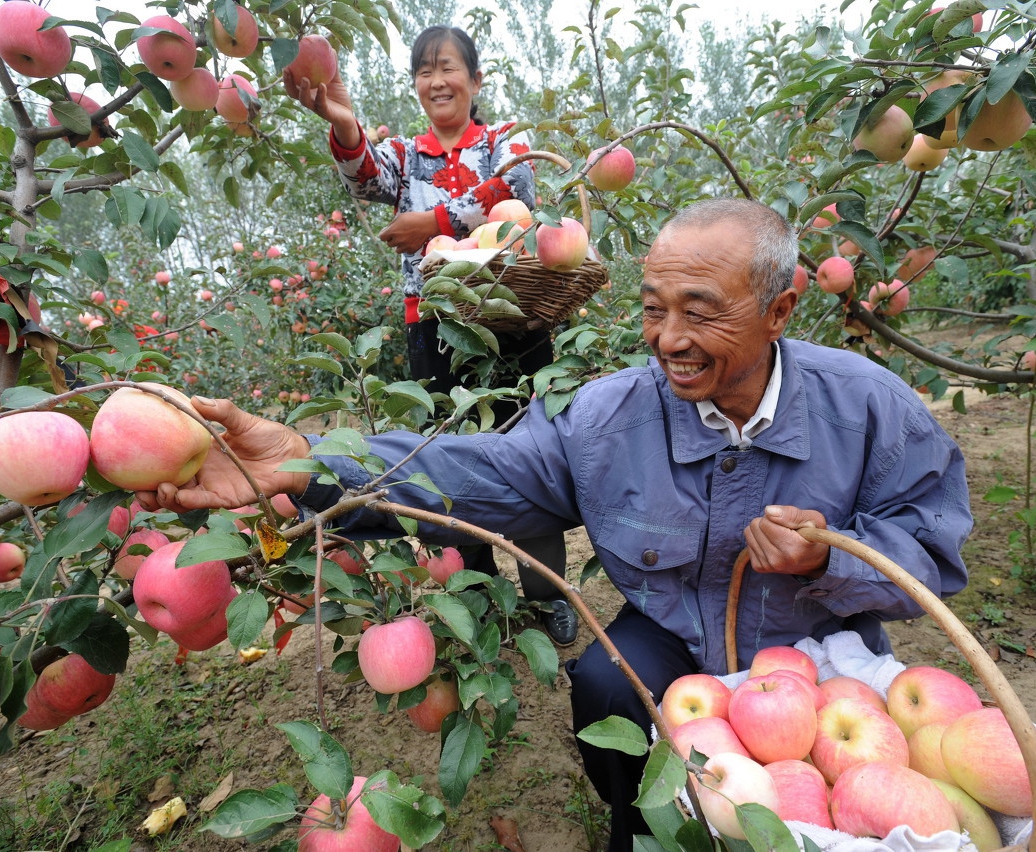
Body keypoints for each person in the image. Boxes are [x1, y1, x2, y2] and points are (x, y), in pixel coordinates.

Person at [137, 198, 973, 851]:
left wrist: (830, 558)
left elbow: (931, 542)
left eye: (700, 311)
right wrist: (309, 465)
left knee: (842, 792)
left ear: (782, 310)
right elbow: (484, 475)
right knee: (607, 686)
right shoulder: (612, 416)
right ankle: (639, 825)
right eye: (654, 309)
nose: (668, 339)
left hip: (814, 651)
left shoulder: (871, 408)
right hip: (678, 630)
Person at [283, 24, 575, 644]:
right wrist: (341, 121)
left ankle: (546, 592)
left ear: (475, 78)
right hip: (435, 325)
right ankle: (481, 590)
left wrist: (431, 223)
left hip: (512, 320)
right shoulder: (406, 154)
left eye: (447, 67)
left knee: (531, 454)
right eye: (423, 70)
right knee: (452, 461)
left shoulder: (502, 140)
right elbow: (364, 178)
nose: (436, 80)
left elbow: (517, 185)